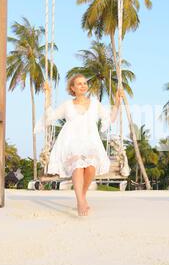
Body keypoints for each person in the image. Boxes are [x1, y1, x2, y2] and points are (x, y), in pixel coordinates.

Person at [35, 74, 124, 216]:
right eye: (79, 84)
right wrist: (48, 95)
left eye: (84, 83)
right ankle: (81, 202)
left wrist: (118, 101)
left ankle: (81, 197)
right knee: (77, 164)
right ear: (72, 88)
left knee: (90, 168)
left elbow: (110, 118)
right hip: (70, 141)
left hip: (90, 141)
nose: (83, 86)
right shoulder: (67, 105)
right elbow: (50, 117)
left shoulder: (95, 104)